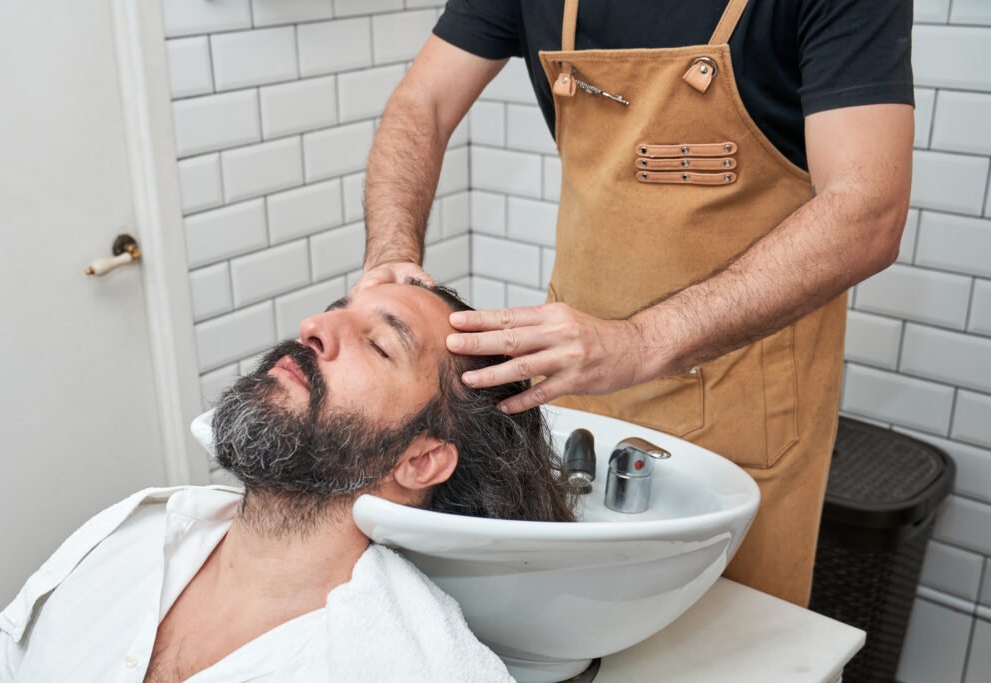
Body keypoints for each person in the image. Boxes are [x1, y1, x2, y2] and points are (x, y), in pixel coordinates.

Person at [356, 0, 914, 606]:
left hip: (742, 401)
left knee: (723, 643)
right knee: (572, 620)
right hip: (571, 384)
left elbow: (868, 210)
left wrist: (639, 342)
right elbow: (424, 103)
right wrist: (390, 253)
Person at [0, 281, 575, 683]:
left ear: (418, 462)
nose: (312, 327)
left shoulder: (416, 666)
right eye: (337, 309)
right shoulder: (133, 530)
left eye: (379, 343)